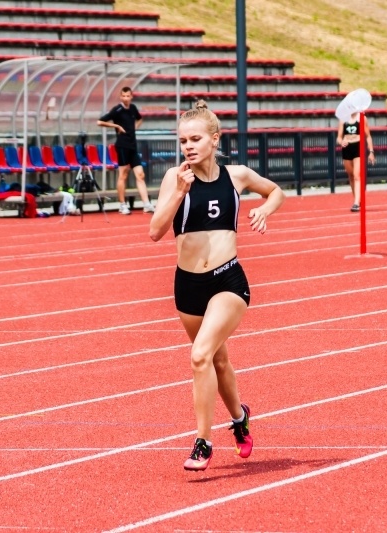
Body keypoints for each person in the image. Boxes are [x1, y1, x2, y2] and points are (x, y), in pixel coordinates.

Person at [148, 100, 285, 471]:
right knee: (218, 360)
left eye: (195, 139)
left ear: (214, 139)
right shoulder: (175, 179)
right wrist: (178, 192)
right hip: (187, 285)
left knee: (199, 356)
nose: (187, 147)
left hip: (227, 279)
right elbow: (155, 231)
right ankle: (240, 418)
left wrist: (264, 210)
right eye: (182, 141)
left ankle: (203, 441)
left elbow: (275, 191)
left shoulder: (236, 176)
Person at [97, 87, 155, 215]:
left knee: (140, 174)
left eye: (128, 96)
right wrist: (116, 126)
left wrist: (134, 128)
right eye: (124, 96)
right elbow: (100, 121)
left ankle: (146, 204)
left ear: (131, 96)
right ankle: (122, 205)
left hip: (133, 146)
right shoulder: (117, 110)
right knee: (123, 174)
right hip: (122, 145)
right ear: (120, 96)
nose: (126, 98)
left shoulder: (133, 108)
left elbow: (140, 118)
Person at [337, 112, 375, 212]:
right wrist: (341, 142)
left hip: (358, 146)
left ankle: (356, 202)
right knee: (351, 176)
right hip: (347, 148)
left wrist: (371, 151)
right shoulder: (343, 119)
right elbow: (339, 137)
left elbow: (368, 136)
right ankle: (357, 199)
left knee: (357, 175)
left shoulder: (362, 118)